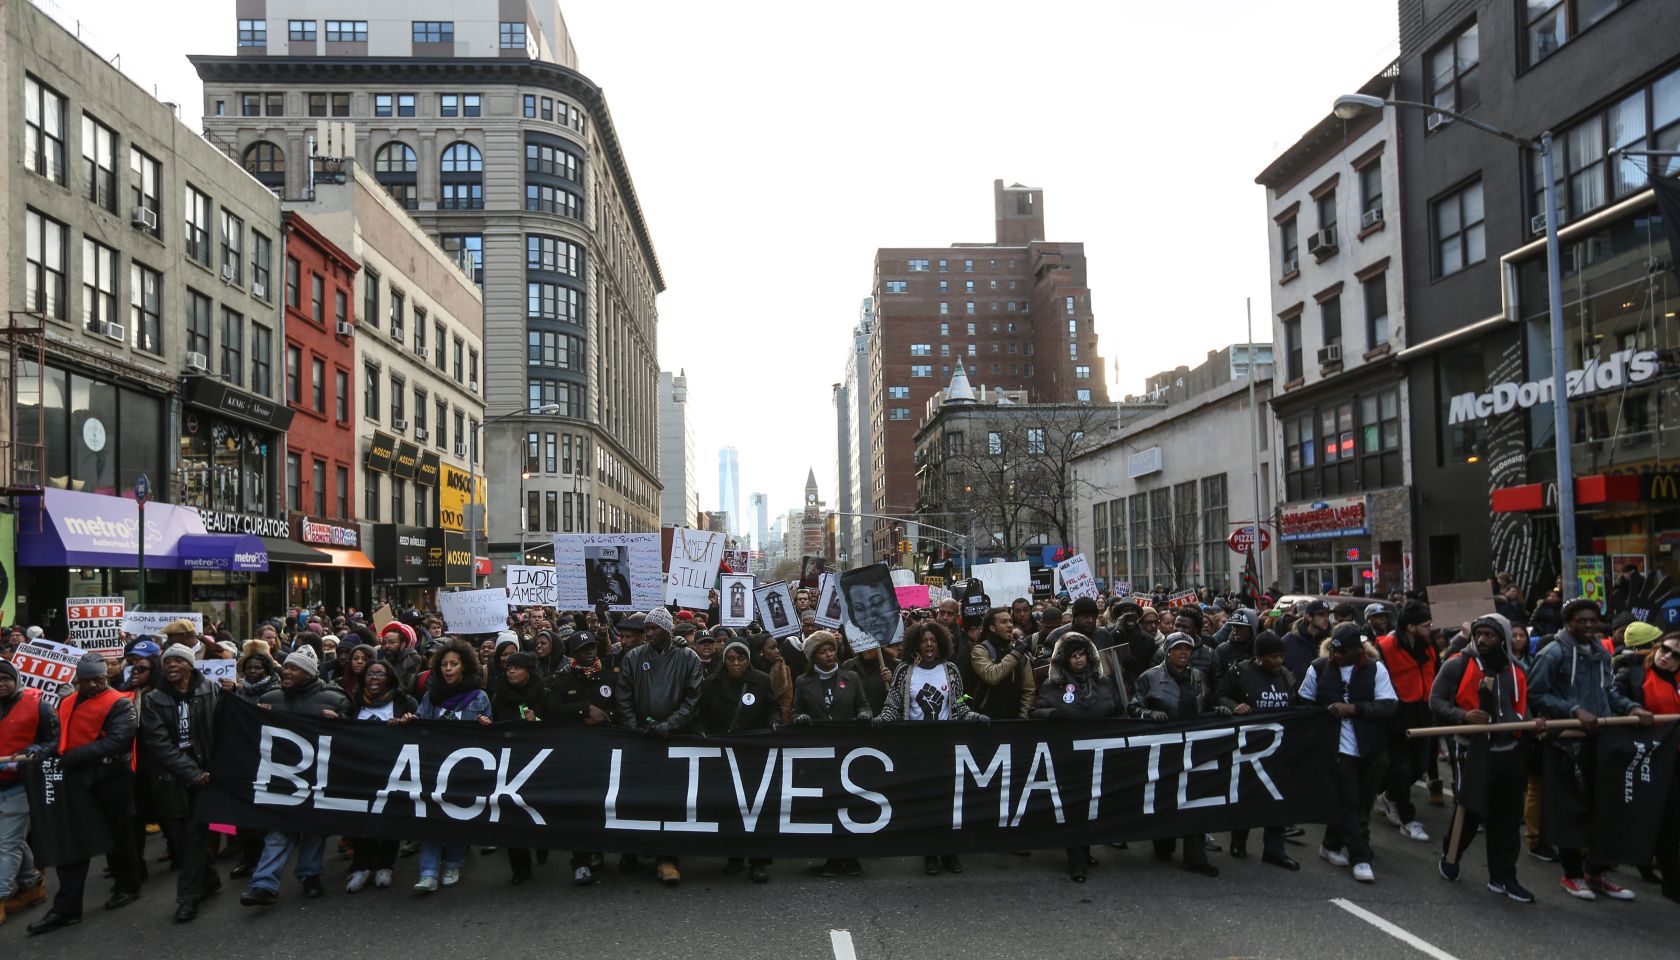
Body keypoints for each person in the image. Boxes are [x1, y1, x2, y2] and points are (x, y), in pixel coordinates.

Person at [1528, 597, 1651, 900]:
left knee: (1604, 807)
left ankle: (1597, 873)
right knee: (1570, 810)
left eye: (1591, 620)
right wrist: (1574, 710)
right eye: (1580, 620)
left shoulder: (1599, 652)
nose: (1587, 625)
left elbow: (1607, 692)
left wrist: (1632, 707)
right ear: (1567, 622)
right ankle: (1571, 875)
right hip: (1566, 743)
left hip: (1601, 739)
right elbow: (1536, 693)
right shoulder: (1552, 653)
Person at [27, 652, 145, 936]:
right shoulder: (67, 701)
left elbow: (119, 741)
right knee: (74, 842)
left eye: (98, 679)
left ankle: (127, 884)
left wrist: (73, 757)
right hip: (76, 781)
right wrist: (41, 753)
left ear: (107, 676)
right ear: (77, 680)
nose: (93, 684)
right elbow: (61, 737)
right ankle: (67, 908)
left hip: (109, 779)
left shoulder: (119, 702)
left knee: (118, 835)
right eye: (87, 680)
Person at [1429, 614, 1537, 903]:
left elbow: (1520, 706)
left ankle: (1503, 876)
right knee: (1471, 808)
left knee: (1507, 816)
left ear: (1502, 637)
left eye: (1491, 634)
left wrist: (1530, 723)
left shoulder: (1517, 670)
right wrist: (1463, 716)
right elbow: (1436, 700)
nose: (1484, 639)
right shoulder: (1457, 664)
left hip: (1509, 751)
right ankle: (1450, 855)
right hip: (1473, 750)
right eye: (1480, 634)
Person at [239, 646, 349, 908]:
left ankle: (310, 876)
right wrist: (258, 716)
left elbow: (352, 734)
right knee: (279, 830)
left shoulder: (334, 698)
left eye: (293, 668)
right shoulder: (271, 697)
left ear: (309, 673)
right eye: (285, 666)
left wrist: (341, 720)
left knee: (314, 830)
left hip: (318, 777)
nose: (286, 671)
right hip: (283, 776)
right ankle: (264, 884)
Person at [875, 621, 986, 876]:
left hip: (946, 749)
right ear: (916, 644)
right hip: (917, 750)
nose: (929, 645)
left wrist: (973, 716)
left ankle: (949, 852)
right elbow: (892, 704)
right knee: (924, 802)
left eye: (933, 641)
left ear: (940, 644)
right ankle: (930, 855)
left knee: (948, 802)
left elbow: (960, 703)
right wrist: (884, 718)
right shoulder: (905, 671)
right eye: (924, 641)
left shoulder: (951, 670)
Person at [1297, 623, 1397, 884]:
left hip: (1368, 748)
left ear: (1357, 650)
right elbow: (1304, 704)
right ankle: (1360, 857)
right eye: (1333, 650)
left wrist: (1353, 709)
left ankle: (1330, 845)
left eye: (1341, 653)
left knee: (1362, 801)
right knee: (1349, 801)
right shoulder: (1318, 668)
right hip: (1333, 748)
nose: (1334, 656)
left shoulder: (1376, 670)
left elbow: (1388, 705)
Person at [614, 607, 703, 886]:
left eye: (654, 628)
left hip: (674, 740)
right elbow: (623, 695)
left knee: (669, 800)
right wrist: (634, 727)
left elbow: (693, 699)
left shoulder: (689, 658)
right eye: (647, 628)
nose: (649, 633)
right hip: (640, 738)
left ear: (668, 630)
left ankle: (667, 858)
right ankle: (631, 850)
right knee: (634, 797)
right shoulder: (633, 657)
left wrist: (671, 725)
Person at [1030, 632, 1125, 881]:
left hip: (1101, 757)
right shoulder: (1053, 686)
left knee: (1096, 808)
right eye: (1072, 655)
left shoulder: (1104, 683)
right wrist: (1050, 714)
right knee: (1074, 809)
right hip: (1070, 760)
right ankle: (1076, 860)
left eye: (1081, 653)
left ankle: (1086, 849)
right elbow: (1034, 711)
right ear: (1064, 660)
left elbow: (1118, 709)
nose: (1078, 659)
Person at [137, 643, 222, 922]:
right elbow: (158, 744)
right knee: (182, 840)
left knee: (196, 837)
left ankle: (187, 897)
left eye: (178, 661)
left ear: (190, 665)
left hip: (206, 776)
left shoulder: (210, 689)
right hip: (171, 779)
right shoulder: (153, 699)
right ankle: (209, 880)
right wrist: (191, 773)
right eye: (168, 662)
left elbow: (225, 724)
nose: (172, 666)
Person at [1133, 634, 1225, 877]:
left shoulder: (1199, 677)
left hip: (1194, 748)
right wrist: (1149, 714)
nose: (1184, 653)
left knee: (1194, 800)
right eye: (1178, 649)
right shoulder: (1149, 678)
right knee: (1166, 796)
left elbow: (1206, 704)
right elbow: (1133, 707)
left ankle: (1195, 857)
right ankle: (1163, 843)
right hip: (1163, 749)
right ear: (1167, 651)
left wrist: (1219, 710)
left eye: (1188, 649)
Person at [406, 638, 492, 894]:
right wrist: (411, 721)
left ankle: (453, 863)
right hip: (434, 767)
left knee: (457, 817)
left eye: (453, 664)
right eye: (444, 664)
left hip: (463, 769)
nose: (448, 669)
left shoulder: (479, 697)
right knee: (432, 817)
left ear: (463, 666)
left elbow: (489, 734)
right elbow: (421, 721)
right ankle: (428, 872)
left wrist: (487, 724)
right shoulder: (432, 696)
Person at [697, 640, 779, 882]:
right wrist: (701, 730)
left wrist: (774, 722)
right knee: (729, 807)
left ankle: (758, 861)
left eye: (741, 658)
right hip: (724, 754)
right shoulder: (711, 684)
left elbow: (773, 708)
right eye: (731, 659)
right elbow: (702, 716)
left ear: (748, 659)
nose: (736, 663)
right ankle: (734, 856)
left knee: (756, 809)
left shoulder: (762, 681)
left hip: (753, 753)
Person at [1216, 631, 1299, 869]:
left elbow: (1296, 705)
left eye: (1282, 656)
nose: (1279, 661)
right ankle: (1239, 839)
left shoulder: (1286, 676)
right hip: (1248, 748)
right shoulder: (1240, 672)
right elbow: (1219, 696)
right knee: (1247, 796)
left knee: (1277, 798)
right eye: (1274, 657)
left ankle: (1275, 849)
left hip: (1278, 748)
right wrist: (1234, 706)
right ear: (1259, 657)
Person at [1613, 630, 1680, 904]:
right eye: (1666, 649)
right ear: (1656, 647)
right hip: (1642, 755)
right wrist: (1632, 709)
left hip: (1673, 759)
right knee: (1638, 813)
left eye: (1676, 655)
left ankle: (1668, 877)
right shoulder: (1632, 671)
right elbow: (1613, 696)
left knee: (1671, 819)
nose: (1668, 657)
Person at [546, 631, 617, 886]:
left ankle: (602, 851)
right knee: (579, 808)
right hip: (575, 752)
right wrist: (583, 709)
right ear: (573, 653)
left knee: (605, 805)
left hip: (605, 752)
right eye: (583, 649)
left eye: (592, 647)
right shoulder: (563, 679)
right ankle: (581, 861)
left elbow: (619, 707)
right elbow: (551, 708)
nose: (589, 652)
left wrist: (603, 715)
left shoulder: (609, 677)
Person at [343, 660, 417, 893]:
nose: (374, 678)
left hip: (393, 770)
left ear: (390, 678)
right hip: (359, 770)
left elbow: (420, 729)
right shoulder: (354, 703)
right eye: (370, 674)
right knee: (361, 817)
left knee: (390, 816)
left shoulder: (404, 702)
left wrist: (406, 724)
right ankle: (363, 865)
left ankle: (386, 865)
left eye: (380, 674)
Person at [1373, 602, 1437, 843]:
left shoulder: (1429, 647)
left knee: (1419, 766)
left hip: (1422, 713)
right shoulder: (1384, 647)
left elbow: (1435, 674)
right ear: (1410, 627)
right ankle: (1406, 818)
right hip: (1395, 716)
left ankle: (1389, 797)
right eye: (1425, 625)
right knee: (1402, 769)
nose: (1430, 629)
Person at [0, 657, 57, 926]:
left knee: (6, 843)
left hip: (19, 785)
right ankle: (31, 884)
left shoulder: (40, 707)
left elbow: (53, 741)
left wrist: (33, 752)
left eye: (5, 679)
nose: (0, 684)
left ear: (15, 680)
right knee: (12, 840)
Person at [969, 607, 1037, 720]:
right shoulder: (980, 650)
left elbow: (1029, 690)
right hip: (985, 722)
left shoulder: (1020, 655)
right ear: (992, 627)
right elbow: (992, 676)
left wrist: (1023, 717)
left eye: (1010, 621)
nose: (1010, 625)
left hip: (1013, 721)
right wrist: (1016, 654)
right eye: (1003, 622)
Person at [791, 631, 872, 724]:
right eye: (822, 652)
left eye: (831, 650)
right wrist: (800, 718)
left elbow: (864, 706)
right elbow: (796, 713)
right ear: (814, 658)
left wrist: (864, 713)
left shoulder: (852, 677)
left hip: (847, 735)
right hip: (817, 736)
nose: (829, 654)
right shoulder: (802, 681)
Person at [1285, 600, 1332, 680]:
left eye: (1328, 615)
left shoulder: (1332, 642)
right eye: (1321, 615)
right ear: (1309, 617)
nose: (1326, 619)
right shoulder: (1288, 641)